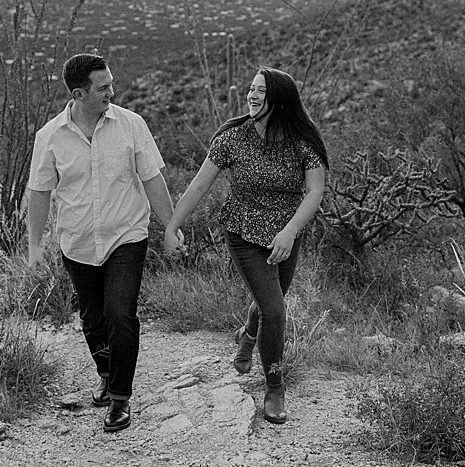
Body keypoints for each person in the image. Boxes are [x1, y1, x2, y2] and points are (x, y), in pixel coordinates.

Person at [163, 66, 327, 425]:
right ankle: (274, 387)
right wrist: (172, 226)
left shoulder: (304, 140)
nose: (252, 96)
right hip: (243, 232)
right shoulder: (233, 138)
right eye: (251, 90)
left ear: (279, 100)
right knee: (276, 311)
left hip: (286, 235)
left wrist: (289, 232)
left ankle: (247, 333)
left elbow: (315, 191)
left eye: (260, 91)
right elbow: (199, 186)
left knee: (271, 306)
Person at [26, 53, 176, 433]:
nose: (112, 91)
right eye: (103, 87)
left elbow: (152, 180)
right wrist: (34, 246)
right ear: (79, 93)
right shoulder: (50, 137)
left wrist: (171, 227)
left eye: (111, 83)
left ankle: (120, 400)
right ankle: (107, 373)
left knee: (120, 315)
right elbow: (40, 192)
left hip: (126, 234)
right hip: (77, 241)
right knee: (93, 319)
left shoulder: (131, 125)